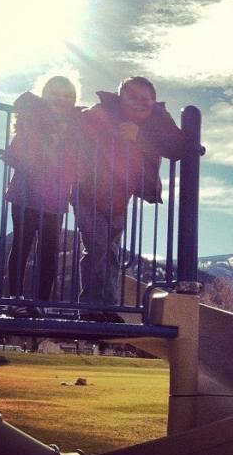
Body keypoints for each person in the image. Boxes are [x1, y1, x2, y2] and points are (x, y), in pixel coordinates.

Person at [74, 76, 187, 322]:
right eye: (132, 97)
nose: (139, 103)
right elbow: (84, 123)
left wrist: (140, 137)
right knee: (98, 246)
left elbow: (178, 148)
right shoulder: (105, 112)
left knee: (111, 251)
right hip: (87, 191)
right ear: (120, 98)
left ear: (153, 102)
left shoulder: (157, 121)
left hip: (118, 196)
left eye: (145, 99)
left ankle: (106, 307)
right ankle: (91, 308)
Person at [2, 76, 81, 316]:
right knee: (22, 244)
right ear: (43, 95)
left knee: (48, 251)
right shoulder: (31, 119)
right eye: (55, 93)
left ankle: (41, 303)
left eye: (67, 95)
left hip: (54, 200)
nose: (61, 99)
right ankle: (15, 298)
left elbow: (76, 161)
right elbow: (16, 153)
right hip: (25, 194)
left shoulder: (75, 127)